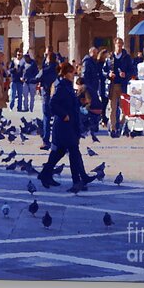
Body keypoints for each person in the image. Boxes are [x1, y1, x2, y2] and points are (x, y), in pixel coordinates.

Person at [38, 63, 91, 192]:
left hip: (69, 125)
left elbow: (68, 102)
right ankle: (77, 181)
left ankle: (45, 175)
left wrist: (79, 101)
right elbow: (53, 104)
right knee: (73, 152)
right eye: (72, 72)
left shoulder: (67, 86)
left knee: (59, 152)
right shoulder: (61, 86)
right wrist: (64, 115)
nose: (74, 75)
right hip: (64, 126)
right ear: (66, 73)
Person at [103, 37, 134, 137]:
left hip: (123, 85)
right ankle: (113, 128)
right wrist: (108, 74)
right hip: (112, 85)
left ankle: (121, 125)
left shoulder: (127, 57)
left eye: (121, 44)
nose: (119, 46)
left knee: (124, 108)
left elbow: (132, 71)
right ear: (114, 45)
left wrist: (126, 75)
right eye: (117, 44)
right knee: (112, 108)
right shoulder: (110, 57)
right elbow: (103, 70)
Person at [35, 48, 58, 150]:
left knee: (47, 118)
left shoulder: (44, 70)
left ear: (48, 59)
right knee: (58, 118)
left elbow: (36, 79)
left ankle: (46, 141)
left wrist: (26, 79)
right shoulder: (59, 69)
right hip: (57, 96)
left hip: (47, 95)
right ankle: (57, 141)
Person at [96, 49, 110, 127]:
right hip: (101, 84)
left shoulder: (106, 63)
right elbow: (100, 73)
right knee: (103, 101)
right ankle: (102, 117)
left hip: (106, 83)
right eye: (106, 55)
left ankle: (103, 117)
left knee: (105, 101)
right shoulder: (99, 63)